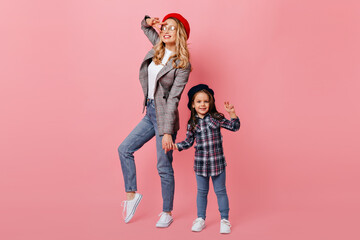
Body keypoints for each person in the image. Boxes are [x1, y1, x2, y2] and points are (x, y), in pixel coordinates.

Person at [117, 13, 191, 228]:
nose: (166, 31)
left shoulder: (182, 64)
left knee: (163, 165)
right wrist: (148, 20)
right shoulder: (159, 45)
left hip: (164, 117)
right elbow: (145, 27)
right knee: (124, 149)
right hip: (149, 112)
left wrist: (167, 131)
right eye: (165, 27)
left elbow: (174, 99)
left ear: (181, 34)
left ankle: (166, 212)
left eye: (172, 28)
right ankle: (131, 196)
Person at [173, 84, 240, 234]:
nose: (202, 104)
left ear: (210, 103)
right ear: (192, 105)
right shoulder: (192, 123)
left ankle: (225, 219)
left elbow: (234, 127)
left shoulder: (216, 118)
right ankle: (200, 219)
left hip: (218, 163)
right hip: (201, 165)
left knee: (221, 191)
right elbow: (189, 142)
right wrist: (176, 146)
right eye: (198, 102)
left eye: (205, 101)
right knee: (201, 192)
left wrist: (233, 114)